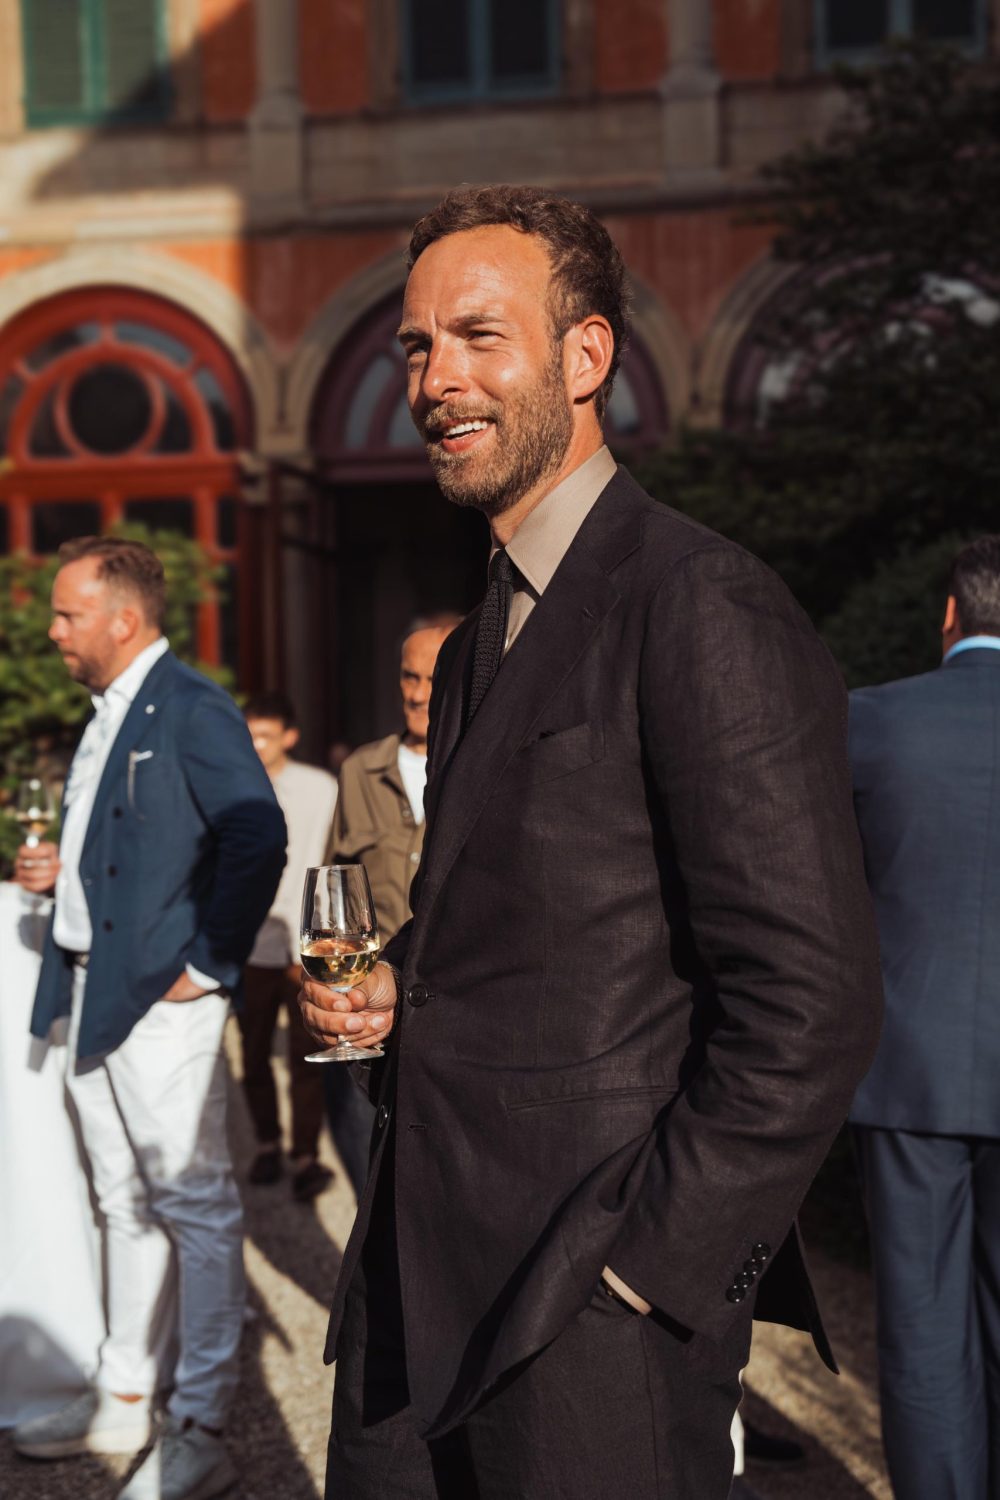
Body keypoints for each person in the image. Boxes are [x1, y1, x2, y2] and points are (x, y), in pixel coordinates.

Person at [300, 185, 883, 1500]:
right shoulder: (475, 643)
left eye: (478, 336)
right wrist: (399, 974)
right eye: (415, 345)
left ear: (586, 357)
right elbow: (531, 901)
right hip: (415, 1272)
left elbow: (815, 997)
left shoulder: (700, 603)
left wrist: (643, 1274)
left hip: (581, 1306)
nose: (436, 377)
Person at [12, 537, 286, 1500]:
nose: (53, 631)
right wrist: (60, 872)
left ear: (122, 620)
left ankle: (201, 1426)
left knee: (195, 1208)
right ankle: (125, 1396)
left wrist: (208, 966)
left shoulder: (193, 708)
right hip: (92, 991)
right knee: (120, 1201)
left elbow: (258, 832)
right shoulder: (107, 712)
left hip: (159, 1006)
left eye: (66, 614)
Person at [849, 535, 1000, 1500]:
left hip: (909, 1072)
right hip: (915, 1076)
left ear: (950, 614)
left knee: (923, 1333)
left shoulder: (871, 722)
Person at [322, 619, 457, 1195]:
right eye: (408, 675)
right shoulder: (359, 769)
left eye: (432, 677)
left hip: (449, 1011)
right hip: (365, 1005)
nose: (417, 692)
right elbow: (333, 888)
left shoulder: (482, 770)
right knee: (362, 1160)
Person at [241, 691, 339, 1201]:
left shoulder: (320, 787)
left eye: (265, 735)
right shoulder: (234, 786)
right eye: (249, 734)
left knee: (307, 1055)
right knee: (253, 1054)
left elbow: (330, 857)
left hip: (305, 941)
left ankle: (305, 1155)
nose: (256, 745)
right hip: (252, 940)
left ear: (289, 737)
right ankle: (265, 1144)